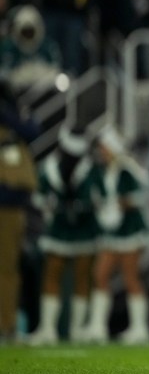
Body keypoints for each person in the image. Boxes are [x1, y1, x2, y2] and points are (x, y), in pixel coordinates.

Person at [29, 127, 103, 345]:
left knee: (82, 276)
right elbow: (39, 196)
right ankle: (48, 328)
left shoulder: (90, 168)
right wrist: (50, 207)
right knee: (52, 273)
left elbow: (100, 194)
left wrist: (88, 205)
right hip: (59, 226)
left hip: (83, 226)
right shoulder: (50, 167)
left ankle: (77, 329)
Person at [83, 127, 149, 345]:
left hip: (130, 229)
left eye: (105, 148)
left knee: (130, 276)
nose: (102, 152)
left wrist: (123, 204)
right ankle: (97, 326)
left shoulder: (127, 169)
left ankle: (140, 328)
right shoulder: (101, 170)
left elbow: (143, 194)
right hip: (111, 230)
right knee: (100, 274)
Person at [0, 81, 39, 343]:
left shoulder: (11, 126)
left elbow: (32, 130)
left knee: (8, 268)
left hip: (10, 205)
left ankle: (7, 325)